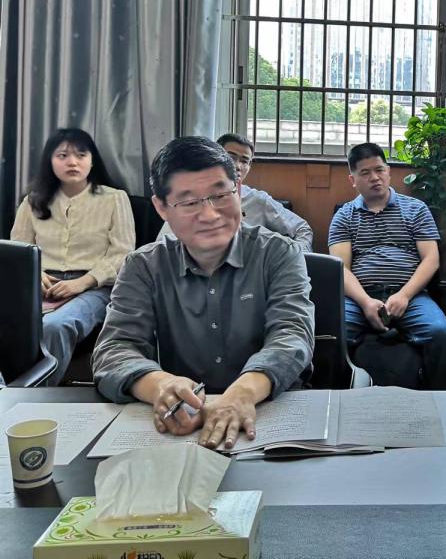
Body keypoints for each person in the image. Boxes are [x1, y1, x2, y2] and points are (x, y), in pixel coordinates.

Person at [92, 136, 314, 449]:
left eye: (220, 195)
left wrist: (242, 393)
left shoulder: (279, 254)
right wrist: (161, 386)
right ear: (161, 207)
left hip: (269, 417)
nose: (209, 215)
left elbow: (292, 334)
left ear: (238, 190)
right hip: (184, 422)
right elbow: (115, 348)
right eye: (189, 202)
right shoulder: (143, 266)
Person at [10, 128, 135, 385]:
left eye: (81, 155)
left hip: (95, 288)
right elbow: (18, 251)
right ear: (50, 161)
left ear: (92, 160)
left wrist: (83, 282)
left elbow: (123, 254)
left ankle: (33, 397)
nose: (72, 162)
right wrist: (36, 275)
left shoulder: (114, 199)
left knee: (56, 326)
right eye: (63, 155)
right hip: (41, 285)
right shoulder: (32, 202)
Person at [328, 142, 446, 389]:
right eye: (365, 173)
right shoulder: (344, 216)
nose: (374, 177)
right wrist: (365, 302)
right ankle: (333, 401)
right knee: (331, 334)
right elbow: (340, 268)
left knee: (440, 334)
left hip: (411, 295)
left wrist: (404, 295)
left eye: (379, 170)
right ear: (353, 180)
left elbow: (431, 259)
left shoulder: (415, 209)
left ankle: (441, 401)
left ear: (388, 171)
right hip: (358, 297)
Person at [157, 133, 313, 251]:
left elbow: (302, 229)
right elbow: (163, 246)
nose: (238, 166)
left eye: (245, 161)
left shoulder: (257, 200)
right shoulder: (188, 199)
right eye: (231, 157)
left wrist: (294, 258)